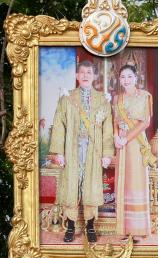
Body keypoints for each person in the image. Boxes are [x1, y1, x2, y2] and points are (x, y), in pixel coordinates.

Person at [48, 59, 113, 244]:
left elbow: (108, 129)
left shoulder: (103, 100)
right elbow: (59, 125)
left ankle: (90, 227)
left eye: (89, 73)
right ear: (77, 76)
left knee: (91, 186)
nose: (85, 76)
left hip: (94, 150)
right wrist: (59, 152)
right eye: (82, 72)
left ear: (94, 76)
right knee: (71, 187)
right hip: (72, 150)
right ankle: (70, 227)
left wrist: (107, 154)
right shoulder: (67, 98)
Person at [112, 64, 153, 242]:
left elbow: (145, 123)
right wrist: (116, 138)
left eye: (129, 76)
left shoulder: (145, 96)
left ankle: (138, 230)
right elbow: (114, 121)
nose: (126, 80)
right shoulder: (116, 98)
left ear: (136, 78)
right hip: (121, 144)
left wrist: (126, 138)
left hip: (136, 143)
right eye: (123, 77)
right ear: (119, 80)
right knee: (123, 183)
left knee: (136, 181)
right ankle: (125, 229)